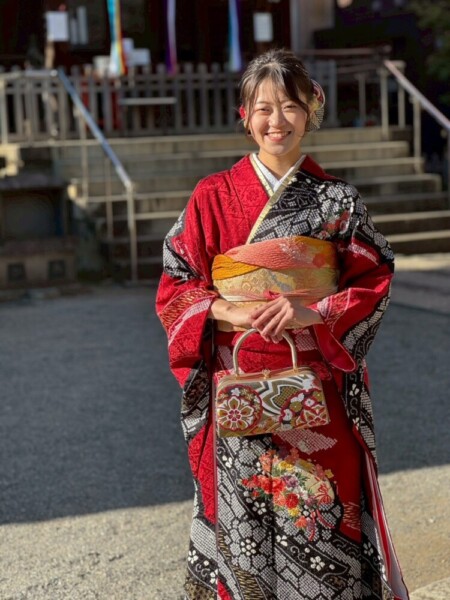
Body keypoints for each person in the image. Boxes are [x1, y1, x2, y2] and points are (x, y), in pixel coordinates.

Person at [156, 49, 409, 600]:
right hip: (237, 381)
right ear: (244, 115)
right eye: (264, 108)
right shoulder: (211, 196)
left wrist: (315, 312)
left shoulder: (338, 200)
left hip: (315, 383)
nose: (277, 121)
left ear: (311, 110)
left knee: (322, 511)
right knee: (243, 525)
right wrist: (225, 309)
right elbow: (177, 281)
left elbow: (375, 274)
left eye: (290, 106)